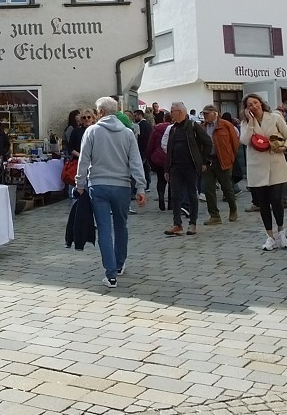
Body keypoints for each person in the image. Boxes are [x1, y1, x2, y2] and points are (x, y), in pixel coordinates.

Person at [74, 97, 147, 287]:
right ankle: (120, 264)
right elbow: (136, 162)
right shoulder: (128, 133)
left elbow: (83, 160)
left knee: (105, 229)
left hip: (98, 185)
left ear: (100, 112)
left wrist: (79, 183)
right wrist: (140, 186)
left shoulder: (92, 131)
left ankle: (111, 273)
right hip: (122, 186)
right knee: (121, 225)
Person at [238, 93, 287, 250]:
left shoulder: (275, 118)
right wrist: (250, 122)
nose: (254, 106)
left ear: (261, 103)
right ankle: (270, 236)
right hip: (257, 166)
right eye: (250, 105)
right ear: (246, 108)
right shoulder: (246, 123)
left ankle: (282, 231)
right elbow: (244, 140)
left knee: (277, 200)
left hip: (275, 163)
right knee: (263, 203)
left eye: (256, 103)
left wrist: (284, 148)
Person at [163, 102, 212, 237]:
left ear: (180, 112)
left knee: (192, 195)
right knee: (175, 196)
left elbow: (208, 142)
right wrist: (167, 169)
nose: (171, 113)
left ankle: (193, 223)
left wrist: (202, 160)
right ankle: (177, 224)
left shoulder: (192, 126)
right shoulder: (173, 128)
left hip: (190, 167)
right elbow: (170, 150)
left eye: (173, 111)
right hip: (175, 168)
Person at [201, 105, 240, 223]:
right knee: (208, 189)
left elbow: (235, 142)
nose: (205, 116)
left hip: (223, 160)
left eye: (207, 113)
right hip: (208, 161)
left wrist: (231, 157)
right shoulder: (202, 127)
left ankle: (233, 209)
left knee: (227, 188)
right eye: (204, 114)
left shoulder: (226, 125)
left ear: (215, 113)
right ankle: (214, 215)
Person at [146, 112, 171, 211]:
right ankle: (171, 202)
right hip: (170, 158)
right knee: (172, 181)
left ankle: (161, 196)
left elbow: (150, 145)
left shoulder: (156, 129)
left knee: (161, 179)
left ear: (164, 118)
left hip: (159, 158)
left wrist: (150, 158)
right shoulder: (174, 128)